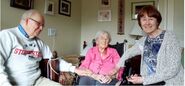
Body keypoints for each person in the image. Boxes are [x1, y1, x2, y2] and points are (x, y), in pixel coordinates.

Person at [0, 10, 89, 86]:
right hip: (14, 83)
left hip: (38, 82)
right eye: (38, 24)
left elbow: (54, 61)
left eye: (43, 25)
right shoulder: (7, 35)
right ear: (27, 21)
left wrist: (74, 69)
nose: (41, 28)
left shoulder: (39, 42)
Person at [116, 5, 184, 85]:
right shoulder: (143, 40)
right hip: (150, 82)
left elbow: (172, 69)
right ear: (140, 23)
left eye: (151, 19)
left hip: (170, 82)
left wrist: (144, 79)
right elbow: (128, 53)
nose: (147, 23)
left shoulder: (170, 38)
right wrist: (117, 68)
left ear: (157, 21)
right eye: (144, 19)